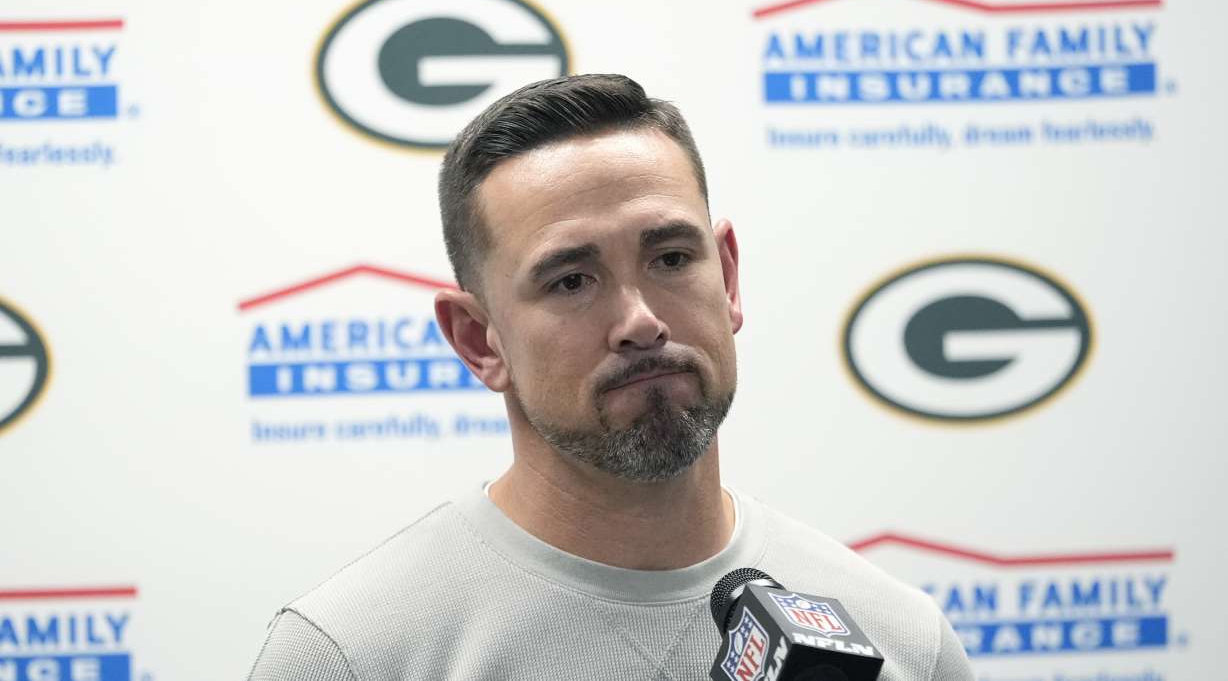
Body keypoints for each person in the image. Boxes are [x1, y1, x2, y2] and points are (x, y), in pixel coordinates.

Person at [246, 74, 973, 680]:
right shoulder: (349, 656)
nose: (640, 321)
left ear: (727, 278)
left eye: (671, 259)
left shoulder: (899, 639)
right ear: (477, 339)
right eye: (571, 280)